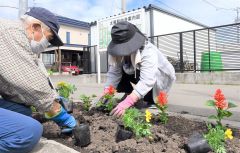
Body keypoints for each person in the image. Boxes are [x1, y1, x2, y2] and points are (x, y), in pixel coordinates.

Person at [0, 7, 76, 153]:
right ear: (35, 27)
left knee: (22, 111)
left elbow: (12, 88)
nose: (46, 44)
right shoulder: (10, 33)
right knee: (30, 131)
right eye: (48, 38)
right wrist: (60, 114)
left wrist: (50, 98)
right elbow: (29, 83)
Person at [103, 21, 176, 117]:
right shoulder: (118, 55)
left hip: (158, 75)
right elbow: (114, 73)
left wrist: (129, 102)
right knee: (121, 73)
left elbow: (147, 79)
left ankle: (150, 100)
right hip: (136, 73)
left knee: (151, 97)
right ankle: (130, 93)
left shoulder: (147, 51)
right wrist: (107, 93)